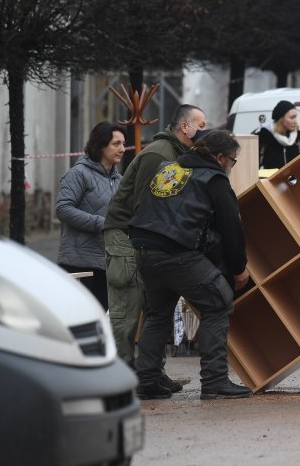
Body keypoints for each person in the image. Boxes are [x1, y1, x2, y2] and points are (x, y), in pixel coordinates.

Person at [129, 130, 251, 400]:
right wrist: (239, 268)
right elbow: (232, 227)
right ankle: (215, 381)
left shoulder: (169, 169)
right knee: (218, 301)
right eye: (233, 160)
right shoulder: (215, 180)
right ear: (220, 158)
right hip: (177, 253)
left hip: (144, 249)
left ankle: (147, 380)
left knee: (158, 313)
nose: (232, 166)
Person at [103, 104, 207, 392]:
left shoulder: (177, 154)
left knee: (155, 310)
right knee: (126, 310)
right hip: (127, 236)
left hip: (145, 237)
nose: (204, 128)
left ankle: (151, 373)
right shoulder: (159, 154)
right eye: (201, 123)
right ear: (185, 127)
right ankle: (121, 378)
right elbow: (142, 203)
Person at [56, 122, 126, 310]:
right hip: (79, 263)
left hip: (108, 263)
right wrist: (100, 223)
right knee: (77, 318)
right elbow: (63, 208)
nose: (122, 149)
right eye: (116, 144)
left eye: (123, 144)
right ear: (101, 145)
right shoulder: (78, 174)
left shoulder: (119, 180)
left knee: (100, 319)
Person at [258, 100, 300, 168]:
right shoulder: (265, 137)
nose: (295, 121)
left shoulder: (299, 138)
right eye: (292, 117)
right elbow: (256, 163)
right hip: (270, 178)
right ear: (281, 119)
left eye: (295, 117)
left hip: (294, 178)